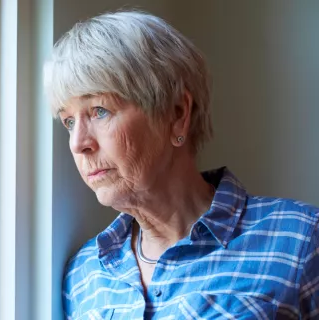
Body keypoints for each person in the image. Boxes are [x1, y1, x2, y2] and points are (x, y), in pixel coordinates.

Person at [43, 10, 319, 320]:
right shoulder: (83, 276)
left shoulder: (302, 239)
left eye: (99, 111)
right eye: (68, 121)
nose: (78, 143)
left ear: (177, 114)